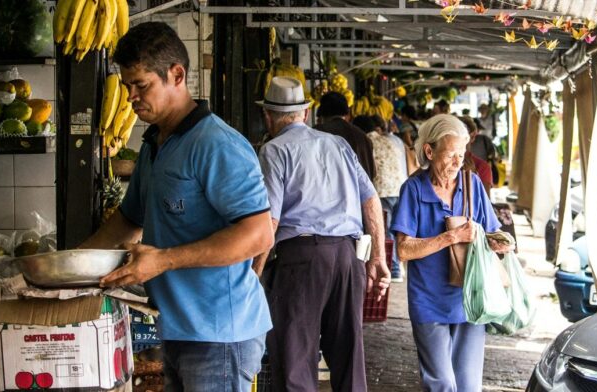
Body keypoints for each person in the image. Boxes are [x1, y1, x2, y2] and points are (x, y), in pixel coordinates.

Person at [80, 22, 274, 392]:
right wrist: (69, 270)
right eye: (127, 87)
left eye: (141, 85)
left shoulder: (216, 144)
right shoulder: (154, 144)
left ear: (177, 75)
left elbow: (258, 234)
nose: (131, 97)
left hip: (219, 334)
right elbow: (126, 220)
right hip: (176, 326)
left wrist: (164, 259)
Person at [254, 77, 389, 392]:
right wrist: (378, 256)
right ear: (304, 113)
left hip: (302, 261)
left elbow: (270, 220)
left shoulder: (273, 150)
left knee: (295, 363)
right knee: (348, 357)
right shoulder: (337, 144)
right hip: (347, 257)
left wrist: (253, 274)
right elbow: (371, 199)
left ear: (268, 116)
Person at [390, 114, 514, 392]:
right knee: (442, 383)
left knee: (468, 385)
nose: (458, 162)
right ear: (429, 151)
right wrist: (451, 236)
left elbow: (492, 232)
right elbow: (404, 249)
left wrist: (499, 244)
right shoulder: (413, 189)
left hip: (470, 298)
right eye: (450, 155)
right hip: (428, 301)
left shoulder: (472, 186)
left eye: (461, 154)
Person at [363, 114, 408, 282]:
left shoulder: (367, 141)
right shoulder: (392, 139)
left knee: (385, 231)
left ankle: (394, 269)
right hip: (399, 187)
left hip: (381, 190)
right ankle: (399, 268)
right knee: (397, 229)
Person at [316, 92, 376, 180]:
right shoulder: (362, 136)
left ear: (321, 112)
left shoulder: (317, 133)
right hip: (362, 192)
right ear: (347, 112)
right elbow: (373, 173)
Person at [459, 115, 494, 196]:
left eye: (464, 136)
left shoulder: (482, 167)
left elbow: (485, 204)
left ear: (473, 136)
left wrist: (473, 176)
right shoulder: (445, 163)